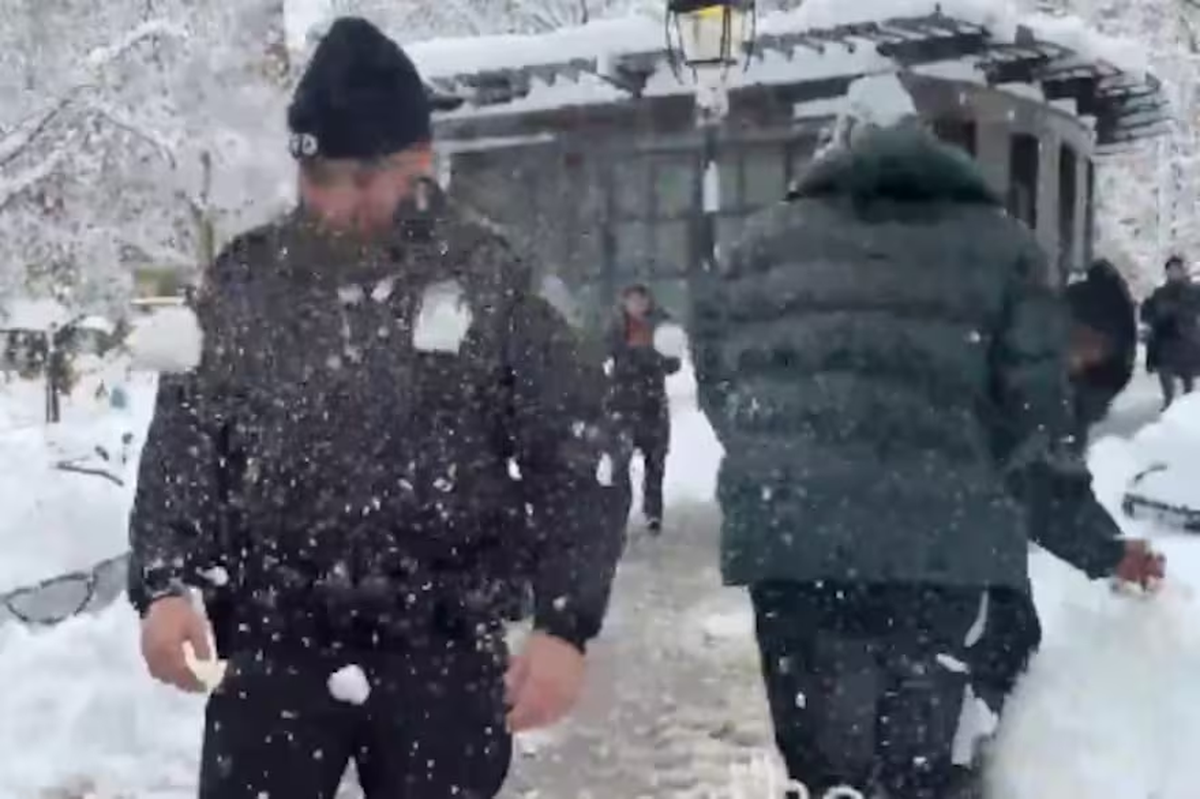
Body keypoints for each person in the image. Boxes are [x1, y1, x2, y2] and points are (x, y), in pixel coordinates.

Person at [127, 18, 623, 799]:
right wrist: (163, 585)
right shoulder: (247, 281)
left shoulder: (488, 280)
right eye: (318, 178)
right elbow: (184, 441)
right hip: (271, 644)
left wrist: (565, 625)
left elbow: (577, 450)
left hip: (443, 646)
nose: (335, 203)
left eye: (359, 180)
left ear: (418, 163)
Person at [688, 101, 1164, 798]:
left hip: (789, 548)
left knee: (825, 772)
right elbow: (1034, 430)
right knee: (916, 770)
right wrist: (1101, 547)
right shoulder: (1005, 250)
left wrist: (792, 467)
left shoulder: (750, 253)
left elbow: (726, 388)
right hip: (939, 561)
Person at [967, 256, 1159, 722]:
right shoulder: (1015, 372)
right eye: (1088, 345)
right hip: (945, 540)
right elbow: (1041, 489)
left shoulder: (1026, 368)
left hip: (959, 539)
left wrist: (1112, 550)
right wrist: (1110, 552)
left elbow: (1054, 483)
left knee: (1008, 639)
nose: (1085, 362)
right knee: (995, 644)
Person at [605, 283, 681, 533]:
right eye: (632, 300)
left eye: (641, 300)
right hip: (622, 403)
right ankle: (618, 510)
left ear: (649, 302)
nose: (637, 305)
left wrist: (651, 356)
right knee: (620, 461)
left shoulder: (662, 325)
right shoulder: (616, 326)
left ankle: (653, 513)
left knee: (655, 462)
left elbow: (673, 364)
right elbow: (607, 354)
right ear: (624, 303)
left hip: (652, 402)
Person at [1142, 254, 1200, 409]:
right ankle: (1168, 405)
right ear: (1166, 272)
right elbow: (1148, 312)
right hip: (1165, 341)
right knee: (1165, 375)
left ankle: (1187, 410)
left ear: (1183, 270)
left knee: (1187, 380)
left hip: (1186, 341)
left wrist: (1180, 312)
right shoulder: (1160, 292)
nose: (1174, 272)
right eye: (1171, 270)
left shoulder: (1194, 290)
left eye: (1177, 269)